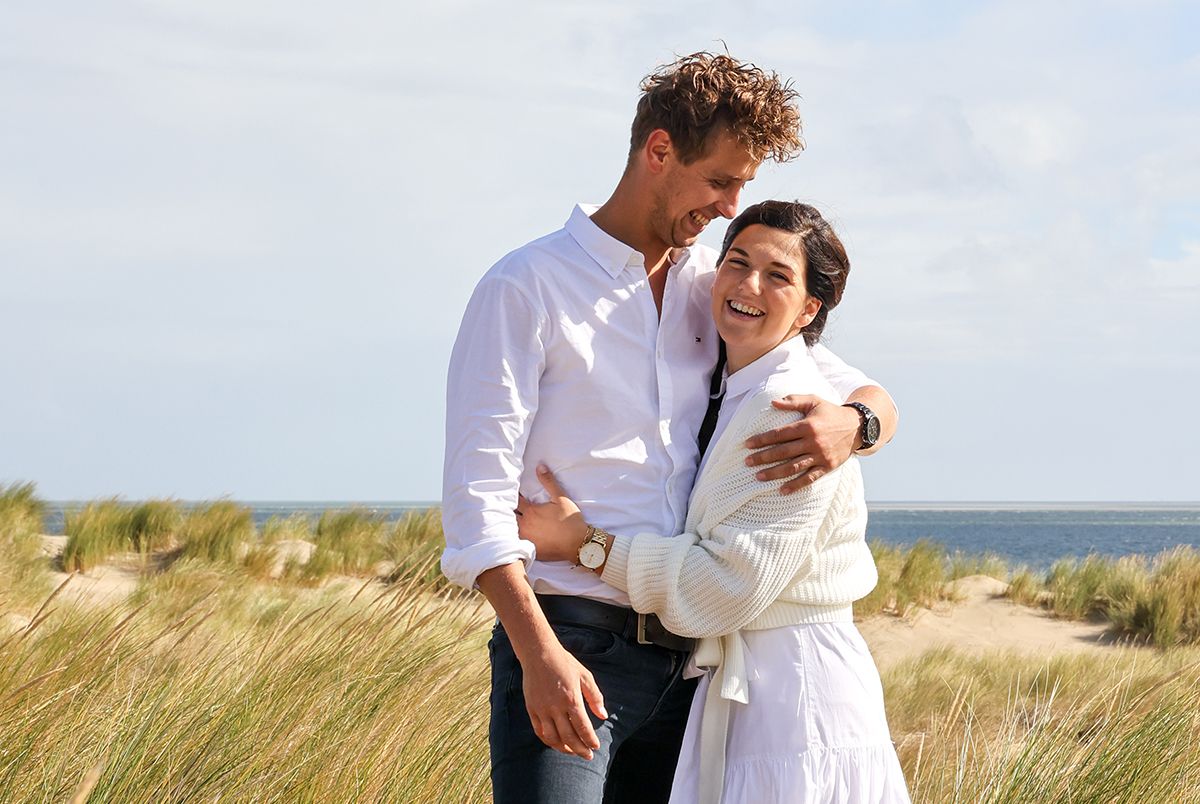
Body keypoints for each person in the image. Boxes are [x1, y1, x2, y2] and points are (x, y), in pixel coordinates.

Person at [441, 53, 899, 803]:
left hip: (694, 670)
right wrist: (538, 655)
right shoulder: (524, 288)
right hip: (571, 641)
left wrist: (858, 424)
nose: (730, 209)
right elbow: (475, 500)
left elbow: (845, 386)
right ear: (659, 152)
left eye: (743, 186)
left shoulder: (711, 288)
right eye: (721, 181)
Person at [517, 200, 910, 803]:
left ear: (810, 309)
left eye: (777, 275)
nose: (748, 285)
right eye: (737, 261)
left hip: (794, 694)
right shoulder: (735, 377)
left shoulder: (786, 409)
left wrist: (586, 545)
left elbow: (719, 588)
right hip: (742, 685)